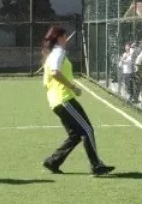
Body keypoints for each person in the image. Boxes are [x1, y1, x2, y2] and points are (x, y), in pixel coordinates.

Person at [40, 25, 115, 177]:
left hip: (57, 101)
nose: (66, 39)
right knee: (87, 129)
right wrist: (72, 87)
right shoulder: (58, 52)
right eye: (64, 36)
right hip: (64, 99)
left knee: (75, 135)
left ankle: (53, 161)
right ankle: (96, 166)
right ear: (60, 37)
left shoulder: (53, 54)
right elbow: (55, 73)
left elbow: (47, 80)